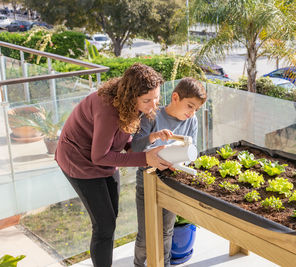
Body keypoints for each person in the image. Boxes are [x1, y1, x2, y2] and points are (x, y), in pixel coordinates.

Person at [55, 63, 172, 267]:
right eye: (147, 100)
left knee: (110, 219)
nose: (153, 105)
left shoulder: (128, 103)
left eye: (156, 98)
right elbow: (99, 156)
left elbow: (123, 142)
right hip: (79, 162)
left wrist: (151, 138)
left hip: (104, 157)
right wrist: (146, 159)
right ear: (131, 96)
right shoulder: (108, 110)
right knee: (104, 226)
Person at [131, 77, 207, 267]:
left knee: (166, 231)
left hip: (173, 182)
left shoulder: (192, 121)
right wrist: (154, 136)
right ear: (175, 97)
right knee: (146, 234)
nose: (191, 113)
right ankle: (139, 264)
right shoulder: (152, 116)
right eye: (189, 106)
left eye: (196, 109)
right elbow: (134, 148)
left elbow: (193, 151)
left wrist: (182, 161)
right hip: (147, 180)